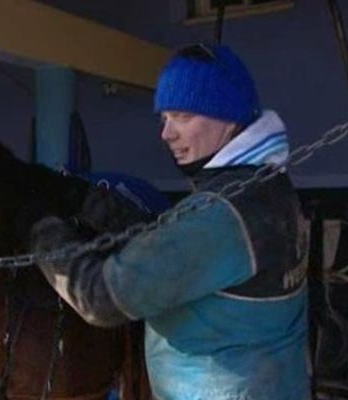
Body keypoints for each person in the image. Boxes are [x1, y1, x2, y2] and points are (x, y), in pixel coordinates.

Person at [30, 43, 311, 400]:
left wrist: (40, 231)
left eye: (181, 115)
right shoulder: (268, 189)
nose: (166, 133)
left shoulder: (223, 213)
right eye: (164, 118)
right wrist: (88, 201)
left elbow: (100, 297)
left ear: (228, 117)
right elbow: (180, 247)